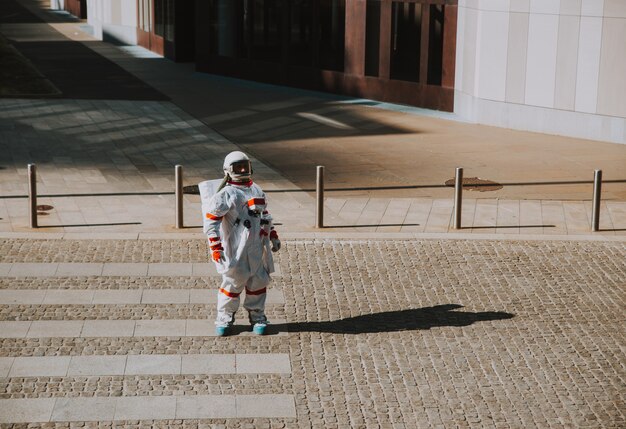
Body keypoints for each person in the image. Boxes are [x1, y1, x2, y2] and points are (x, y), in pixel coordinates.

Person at [201, 151, 281, 336]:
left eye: (245, 166)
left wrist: (273, 236)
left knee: (258, 283)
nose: (243, 170)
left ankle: (257, 315)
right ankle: (224, 317)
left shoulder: (256, 189)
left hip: (256, 246)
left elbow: (265, 216)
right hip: (235, 248)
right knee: (232, 285)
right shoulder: (226, 194)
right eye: (238, 167)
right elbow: (211, 222)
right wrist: (216, 247)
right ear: (229, 170)